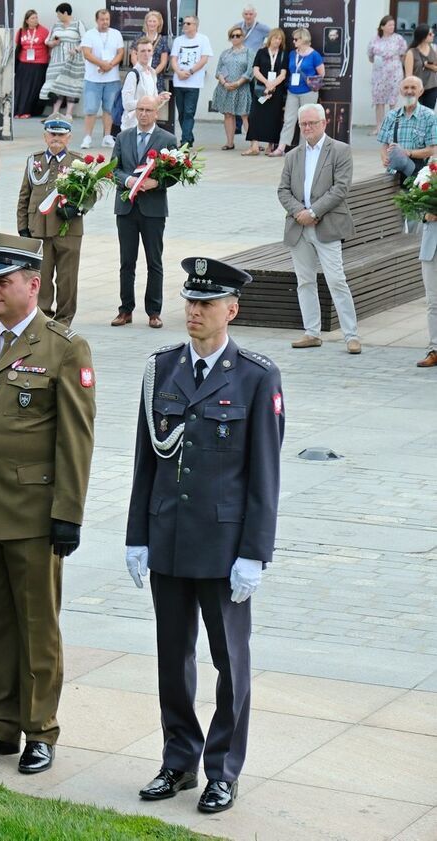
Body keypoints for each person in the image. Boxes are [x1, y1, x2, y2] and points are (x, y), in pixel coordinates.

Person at [126, 257, 283, 816]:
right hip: (168, 538)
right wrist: (136, 535)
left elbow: (265, 475)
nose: (193, 312)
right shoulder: (160, 370)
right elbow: (147, 461)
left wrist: (254, 554)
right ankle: (178, 761)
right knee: (173, 658)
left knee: (229, 663)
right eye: (190, 302)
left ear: (231, 310)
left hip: (222, 548)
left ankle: (222, 770)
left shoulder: (256, 376)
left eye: (206, 304)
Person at [0, 232, 95, 775]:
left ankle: (41, 729)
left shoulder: (62, 346)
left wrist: (67, 514)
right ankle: (0, 724)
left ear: (33, 284)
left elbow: (76, 438)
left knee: (37, 625)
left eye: (3, 281)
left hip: (32, 513)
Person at [277, 103, 361, 354]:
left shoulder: (340, 151)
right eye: (303, 124)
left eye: (312, 123)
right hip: (298, 226)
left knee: (336, 280)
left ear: (324, 123)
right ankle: (311, 332)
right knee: (304, 281)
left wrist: (313, 212)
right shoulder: (293, 155)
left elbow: (341, 188)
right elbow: (282, 190)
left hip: (327, 225)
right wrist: (299, 212)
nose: (307, 128)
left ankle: (351, 335)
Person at [111, 95, 175, 328]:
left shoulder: (167, 139)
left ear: (157, 113)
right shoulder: (123, 137)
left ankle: (154, 312)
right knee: (126, 262)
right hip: (126, 208)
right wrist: (127, 181)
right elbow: (113, 168)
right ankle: (125, 310)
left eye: (148, 110)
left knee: (154, 262)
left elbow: (175, 173)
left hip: (153, 210)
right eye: (140, 109)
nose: (144, 114)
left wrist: (157, 183)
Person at [17, 117, 84, 325]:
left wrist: (78, 208)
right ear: (45, 136)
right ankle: (43, 318)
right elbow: (24, 195)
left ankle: (64, 321)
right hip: (39, 229)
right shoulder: (34, 160)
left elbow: (90, 194)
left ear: (69, 137)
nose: (56, 138)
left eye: (61, 135)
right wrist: (23, 228)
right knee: (41, 278)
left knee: (67, 278)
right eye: (52, 134)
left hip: (68, 229)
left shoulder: (78, 162)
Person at [79, 8, 123, 151]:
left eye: (107, 19)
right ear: (97, 20)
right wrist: (102, 64)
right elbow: (87, 53)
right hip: (93, 79)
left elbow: (120, 53)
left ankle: (107, 137)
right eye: (102, 19)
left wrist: (109, 65)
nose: (105, 22)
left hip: (112, 78)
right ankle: (87, 138)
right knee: (91, 109)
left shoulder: (116, 34)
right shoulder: (89, 34)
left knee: (109, 109)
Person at [378, 76, 437, 179]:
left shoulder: (429, 116)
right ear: (401, 91)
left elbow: (432, 149)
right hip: (393, 175)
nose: (409, 91)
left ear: (421, 91)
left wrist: (408, 153)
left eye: (413, 87)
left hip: (417, 175)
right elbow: (384, 144)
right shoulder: (391, 115)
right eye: (405, 88)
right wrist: (385, 158)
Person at [276, 28, 324, 154]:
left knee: (306, 121)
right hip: (293, 91)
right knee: (289, 119)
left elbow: (321, 74)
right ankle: (281, 147)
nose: (294, 41)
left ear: (304, 39)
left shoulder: (314, 55)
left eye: (296, 39)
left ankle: (305, 148)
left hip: (308, 92)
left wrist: (310, 81)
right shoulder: (293, 54)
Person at [243, 28, 287, 157]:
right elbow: (256, 70)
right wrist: (267, 83)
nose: (277, 41)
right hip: (262, 89)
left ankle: (270, 145)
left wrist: (272, 85)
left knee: (273, 117)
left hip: (276, 90)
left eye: (280, 39)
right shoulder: (261, 52)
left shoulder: (283, 54)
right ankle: (254, 145)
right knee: (255, 116)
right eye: (275, 38)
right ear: (270, 38)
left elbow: (283, 74)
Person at [170, 15, 212, 147]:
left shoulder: (203, 39)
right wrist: (179, 72)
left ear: (195, 26)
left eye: (188, 23)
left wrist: (191, 72)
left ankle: (185, 141)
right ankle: (189, 137)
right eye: (184, 23)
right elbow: (174, 59)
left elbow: (204, 59)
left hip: (194, 83)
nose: (185, 25)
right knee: (182, 113)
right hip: (179, 82)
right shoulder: (178, 40)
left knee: (189, 112)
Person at [40, 4, 86, 120]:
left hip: (73, 59)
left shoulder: (78, 24)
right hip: (57, 59)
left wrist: (76, 49)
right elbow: (47, 41)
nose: (58, 16)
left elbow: (85, 40)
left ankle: (68, 114)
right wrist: (53, 43)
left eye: (59, 14)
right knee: (56, 85)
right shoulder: (56, 25)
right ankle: (55, 113)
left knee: (71, 85)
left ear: (65, 13)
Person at [211, 26, 252, 151]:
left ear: (243, 37)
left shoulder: (249, 52)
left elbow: (250, 70)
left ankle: (253, 143)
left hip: (242, 88)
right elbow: (218, 71)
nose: (235, 38)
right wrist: (224, 83)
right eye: (232, 36)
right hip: (226, 88)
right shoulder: (225, 53)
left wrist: (239, 82)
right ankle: (229, 142)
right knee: (228, 115)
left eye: (238, 35)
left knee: (245, 115)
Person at [121, 38, 169, 132]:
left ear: (152, 53)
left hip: (148, 126)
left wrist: (161, 99)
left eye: (149, 51)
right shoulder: (133, 75)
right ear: (136, 53)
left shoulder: (152, 73)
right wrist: (149, 102)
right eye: (142, 51)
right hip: (132, 127)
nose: (146, 54)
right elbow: (126, 104)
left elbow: (154, 104)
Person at [370, 16, 408, 133]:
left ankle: (393, 127)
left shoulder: (398, 39)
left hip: (394, 72)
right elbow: (370, 56)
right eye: (389, 25)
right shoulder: (375, 39)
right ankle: (379, 126)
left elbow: (403, 54)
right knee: (379, 99)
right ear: (382, 26)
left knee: (393, 99)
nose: (392, 27)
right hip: (379, 72)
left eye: (393, 25)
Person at [14, 10, 50, 119]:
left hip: (38, 63)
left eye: (36, 17)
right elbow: (18, 45)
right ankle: (18, 111)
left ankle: (27, 111)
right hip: (23, 63)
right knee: (20, 88)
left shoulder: (44, 31)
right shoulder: (21, 31)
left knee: (33, 88)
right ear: (27, 20)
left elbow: (48, 45)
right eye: (32, 18)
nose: (35, 20)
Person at [419, 214, 437, 368]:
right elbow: (414, 205)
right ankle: (435, 349)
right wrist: (425, 215)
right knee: (433, 302)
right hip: (431, 248)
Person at [404, 25, 437, 111]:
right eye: (430, 34)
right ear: (423, 36)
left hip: (432, 88)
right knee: (414, 114)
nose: (433, 35)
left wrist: (428, 66)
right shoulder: (411, 53)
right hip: (415, 90)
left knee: (428, 115)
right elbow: (408, 76)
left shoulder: (434, 49)